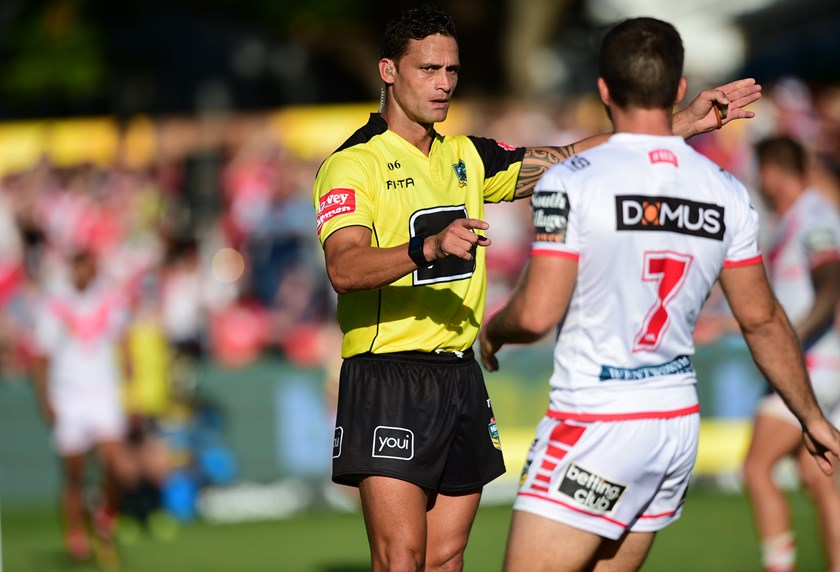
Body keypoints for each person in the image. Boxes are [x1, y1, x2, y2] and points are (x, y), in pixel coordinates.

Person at [313, 6, 762, 571]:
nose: (444, 83)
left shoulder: (467, 156)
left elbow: (570, 159)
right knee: (401, 558)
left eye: (452, 70)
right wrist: (427, 247)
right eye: (428, 69)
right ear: (388, 71)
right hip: (388, 374)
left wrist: (677, 125)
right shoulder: (352, 164)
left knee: (447, 556)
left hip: (459, 374)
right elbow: (344, 268)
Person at [478, 17, 840, 572]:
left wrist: (493, 330)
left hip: (598, 419)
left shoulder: (572, 179)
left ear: (603, 89)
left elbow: (535, 315)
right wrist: (811, 417)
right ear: (678, 88)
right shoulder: (724, 189)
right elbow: (763, 319)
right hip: (674, 426)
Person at [742, 135, 840, 572]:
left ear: (772, 172)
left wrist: (786, 342)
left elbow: (831, 284)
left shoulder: (814, 215)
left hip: (810, 367)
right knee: (819, 479)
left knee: (756, 468)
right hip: (820, 364)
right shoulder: (797, 219)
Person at [30, 250, 131, 567]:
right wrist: (45, 398)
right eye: (78, 267)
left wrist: (131, 389)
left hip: (104, 393)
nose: (82, 273)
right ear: (71, 269)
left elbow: (123, 343)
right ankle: (76, 531)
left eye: (87, 267)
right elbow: (41, 355)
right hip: (69, 394)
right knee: (74, 470)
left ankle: (103, 514)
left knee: (116, 465)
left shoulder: (110, 298)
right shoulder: (54, 303)